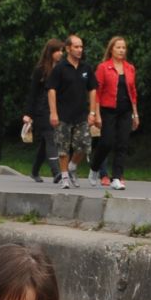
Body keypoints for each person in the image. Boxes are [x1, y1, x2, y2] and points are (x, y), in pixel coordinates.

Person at [48, 34, 99, 188]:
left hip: (81, 114)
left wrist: (92, 112)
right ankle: (64, 177)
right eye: (76, 47)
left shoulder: (86, 68)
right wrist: (53, 112)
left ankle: (72, 166)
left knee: (84, 145)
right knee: (63, 147)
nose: (79, 50)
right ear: (68, 49)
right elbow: (51, 90)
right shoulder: (60, 68)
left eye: (81, 47)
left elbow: (93, 90)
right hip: (63, 114)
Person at [92, 36, 139, 190]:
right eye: (118, 47)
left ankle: (117, 178)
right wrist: (96, 113)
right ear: (111, 49)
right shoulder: (103, 67)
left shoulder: (130, 68)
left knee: (122, 144)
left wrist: (135, 114)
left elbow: (133, 92)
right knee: (106, 142)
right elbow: (96, 92)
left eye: (123, 48)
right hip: (108, 110)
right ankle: (94, 167)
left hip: (125, 110)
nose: (121, 50)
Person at [25, 39, 63, 182]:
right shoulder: (40, 70)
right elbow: (33, 93)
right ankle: (56, 172)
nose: (60, 54)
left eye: (62, 51)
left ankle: (34, 170)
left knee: (45, 143)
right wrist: (28, 114)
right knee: (51, 137)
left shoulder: (62, 69)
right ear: (50, 52)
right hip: (42, 109)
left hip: (56, 108)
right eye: (58, 51)